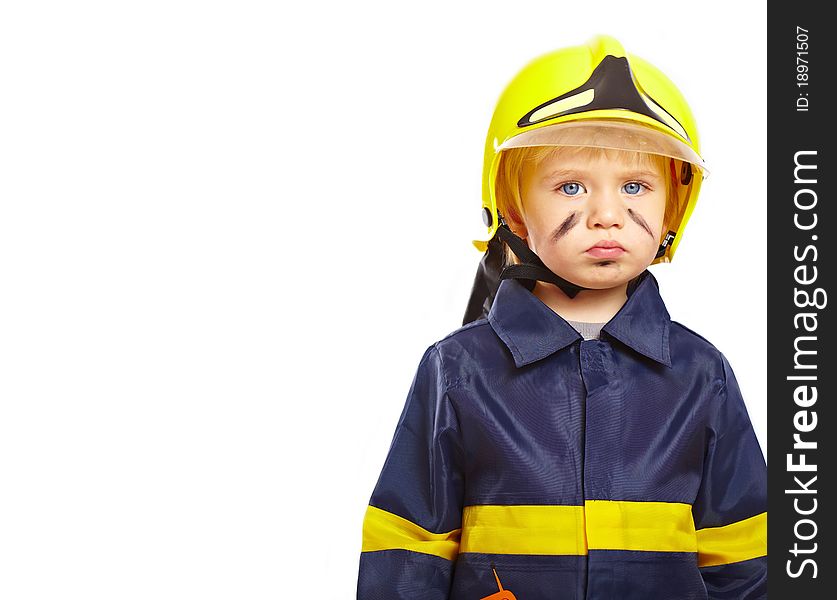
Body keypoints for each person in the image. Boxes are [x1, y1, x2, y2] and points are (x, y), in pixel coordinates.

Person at [356, 35, 767, 600]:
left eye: (635, 186)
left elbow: (748, 559)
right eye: (570, 186)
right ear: (515, 210)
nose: (606, 215)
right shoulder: (459, 370)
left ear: (673, 206)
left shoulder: (701, 374)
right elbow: (406, 553)